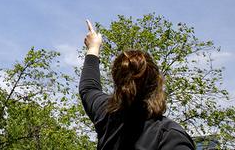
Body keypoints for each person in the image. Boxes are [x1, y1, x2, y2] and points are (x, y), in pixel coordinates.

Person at [80, 20, 195, 149]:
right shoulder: (170, 137)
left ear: (117, 81)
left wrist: (93, 47)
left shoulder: (106, 116)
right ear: (157, 82)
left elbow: (88, 87)